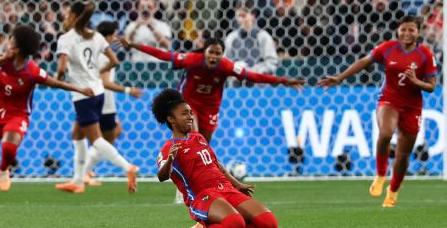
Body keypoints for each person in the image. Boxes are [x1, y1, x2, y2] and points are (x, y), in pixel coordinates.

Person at [318, 16, 437, 207]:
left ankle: (393, 191)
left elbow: (431, 86)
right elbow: (364, 62)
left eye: (411, 30)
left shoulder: (425, 54)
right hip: (389, 99)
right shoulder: (388, 47)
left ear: (418, 32)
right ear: (398, 30)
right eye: (403, 29)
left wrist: (417, 82)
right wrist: (339, 78)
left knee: (403, 155)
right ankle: (381, 175)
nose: (407, 33)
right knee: (385, 133)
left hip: (412, 106)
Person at [0, 25, 94, 203]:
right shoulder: (5, 59)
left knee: (8, 148)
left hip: (18, 114)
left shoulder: (32, 71)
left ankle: (4, 168)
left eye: (12, 39)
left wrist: (80, 89)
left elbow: (55, 83)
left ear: (19, 45)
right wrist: (3, 59)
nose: (9, 41)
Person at [120, 38, 304, 142]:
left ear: (221, 55)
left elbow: (253, 76)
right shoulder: (192, 59)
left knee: (203, 145)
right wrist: (134, 45)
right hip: (188, 102)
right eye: (211, 52)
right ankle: (182, 187)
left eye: (218, 53)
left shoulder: (226, 66)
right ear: (205, 52)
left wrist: (284, 80)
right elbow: (164, 55)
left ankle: (195, 178)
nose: (214, 56)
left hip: (210, 106)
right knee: (194, 138)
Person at [153, 89, 278, 228]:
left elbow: (215, 164)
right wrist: (170, 160)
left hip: (226, 188)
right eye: (184, 113)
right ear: (171, 119)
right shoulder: (168, 148)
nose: (190, 117)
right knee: (235, 223)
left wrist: (237, 185)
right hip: (202, 196)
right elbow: (162, 176)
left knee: (269, 222)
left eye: (190, 112)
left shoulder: (198, 138)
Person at [55, 2, 139, 194]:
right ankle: (78, 181)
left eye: (68, 13)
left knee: (96, 139)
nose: (66, 17)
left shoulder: (66, 39)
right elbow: (115, 60)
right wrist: (94, 73)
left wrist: (58, 80)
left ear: (74, 17)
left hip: (82, 93)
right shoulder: (97, 36)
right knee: (77, 134)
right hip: (98, 92)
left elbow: (61, 68)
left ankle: (128, 167)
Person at [80, 21, 143, 186]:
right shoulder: (103, 55)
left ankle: (85, 172)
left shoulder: (96, 51)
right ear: (108, 36)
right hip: (103, 103)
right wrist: (128, 90)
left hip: (97, 101)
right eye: (114, 35)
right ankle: (84, 172)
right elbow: (105, 82)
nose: (116, 38)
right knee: (104, 139)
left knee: (112, 133)